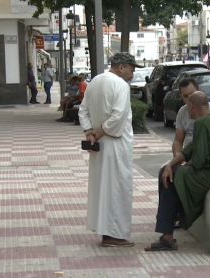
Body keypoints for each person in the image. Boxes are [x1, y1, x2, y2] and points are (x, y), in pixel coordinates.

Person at [145, 92, 210, 251]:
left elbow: (199, 160)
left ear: (191, 106)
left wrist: (178, 168)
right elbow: (191, 149)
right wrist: (171, 164)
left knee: (172, 177)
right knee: (167, 172)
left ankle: (168, 235)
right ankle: (171, 218)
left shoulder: (202, 123)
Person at [79, 52, 144, 247]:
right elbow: (118, 116)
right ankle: (113, 235)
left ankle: (106, 232)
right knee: (117, 189)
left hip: (100, 146)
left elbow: (83, 110)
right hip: (115, 144)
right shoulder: (120, 85)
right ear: (122, 67)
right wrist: (98, 132)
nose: (132, 74)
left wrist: (89, 131)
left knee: (103, 189)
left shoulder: (96, 81)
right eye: (131, 69)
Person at [173, 78, 210, 156]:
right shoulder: (182, 112)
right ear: (181, 97)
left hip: (206, 157)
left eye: (192, 94)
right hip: (187, 156)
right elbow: (178, 140)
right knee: (166, 168)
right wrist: (177, 157)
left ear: (199, 91)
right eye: (185, 96)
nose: (189, 99)